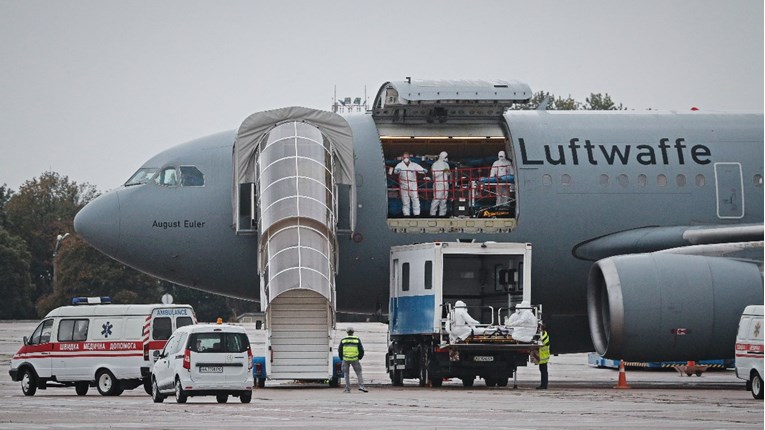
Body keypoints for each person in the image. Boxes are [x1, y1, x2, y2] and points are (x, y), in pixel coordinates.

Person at [393, 152, 427, 216]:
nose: (406, 159)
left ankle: (417, 214)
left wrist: (423, 170)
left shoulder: (414, 165)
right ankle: (406, 215)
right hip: (404, 185)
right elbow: (395, 171)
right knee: (405, 202)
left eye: (407, 157)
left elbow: (420, 170)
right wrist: (397, 171)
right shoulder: (399, 165)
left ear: (409, 158)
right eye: (404, 157)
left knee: (415, 200)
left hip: (413, 185)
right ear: (402, 158)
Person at [339, 327, 367, 393]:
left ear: (347, 332)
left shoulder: (343, 340)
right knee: (359, 373)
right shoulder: (356, 339)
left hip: (345, 359)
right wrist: (359, 357)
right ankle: (361, 386)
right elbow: (361, 350)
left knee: (346, 374)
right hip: (355, 359)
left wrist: (341, 358)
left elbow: (340, 350)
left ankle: (347, 389)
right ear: (353, 332)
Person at [429, 151, 450, 217]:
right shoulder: (435, 164)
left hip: (445, 183)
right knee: (436, 199)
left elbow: (448, 173)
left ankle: (442, 214)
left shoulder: (446, 164)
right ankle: (432, 214)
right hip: (438, 183)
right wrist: (442, 171)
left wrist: (447, 172)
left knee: (444, 200)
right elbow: (434, 174)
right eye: (445, 157)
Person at [537, 324, 550, 389]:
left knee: (543, 371)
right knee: (543, 371)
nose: (539, 329)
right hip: (543, 356)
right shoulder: (544, 334)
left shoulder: (544, 334)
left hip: (543, 356)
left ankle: (544, 385)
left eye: (539, 328)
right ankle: (543, 385)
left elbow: (543, 342)